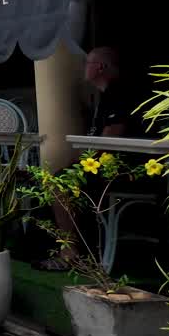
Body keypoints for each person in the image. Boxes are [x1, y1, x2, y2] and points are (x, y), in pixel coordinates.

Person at [39, 46, 139, 270]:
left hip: (122, 170)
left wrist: (81, 164)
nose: (84, 68)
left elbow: (110, 140)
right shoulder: (103, 96)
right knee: (57, 178)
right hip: (105, 166)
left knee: (58, 183)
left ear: (100, 67)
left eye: (87, 63)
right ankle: (77, 247)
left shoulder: (118, 94)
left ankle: (70, 253)